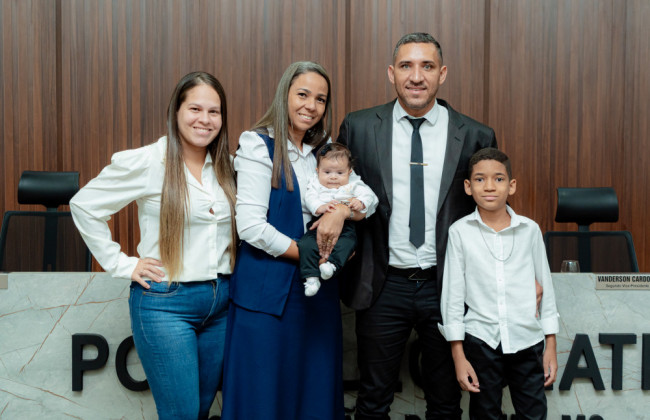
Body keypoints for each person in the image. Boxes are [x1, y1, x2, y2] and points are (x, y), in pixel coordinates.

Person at [336, 32, 498, 419]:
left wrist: (521, 272)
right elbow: (336, 190)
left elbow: (491, 211)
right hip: (382, 284)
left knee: (446, 402)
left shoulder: (475, 135)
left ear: (442, 73)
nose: (416, 76)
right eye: (406, 66)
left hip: (448, 286)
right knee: (373, 400)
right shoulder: (359, 127)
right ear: (391, 73)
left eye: (427, 66)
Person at [70, 71, 236, 420]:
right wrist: (123, 263)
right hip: (166, 304)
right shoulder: (148, 161)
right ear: (176, 111)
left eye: (214, 111)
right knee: (181, 414)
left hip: (221, 303)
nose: (205, 120)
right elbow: (84, 205)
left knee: (201, 410)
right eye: (195, 109)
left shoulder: (225, 166)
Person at [221, 61, 362, 420]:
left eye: (320, 99)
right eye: (302, 94)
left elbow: (359, 199)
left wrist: (342, 212)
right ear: (284, 95)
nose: (311, 106)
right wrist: (310, 255)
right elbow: (250, 227)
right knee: (262, 400)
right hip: (266, 294)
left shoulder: (324, 151)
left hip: (317, 295)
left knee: (314, 398)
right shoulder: (257, 144)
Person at [439, 147, 559, 419]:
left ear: (511, 185)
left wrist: (550, 344)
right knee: (485, 414)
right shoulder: (459, 232)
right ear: (468, 187)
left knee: (534, 413)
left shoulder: (529, 230)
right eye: (480, 179)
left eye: (499, 179)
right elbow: (453, 297)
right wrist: (459, 356)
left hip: (526, 339)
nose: (490, 186)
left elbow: (547, 289)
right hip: (481, 340)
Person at [298, 142, 378, 296]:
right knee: (305, 244)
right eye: (327, 172)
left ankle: (332, 265)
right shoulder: (315, 183)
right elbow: (310, 197)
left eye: (340, 173)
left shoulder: (353, 184)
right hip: (319, 223)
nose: (333, 177)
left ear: (349, 172)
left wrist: (361, 202)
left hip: (346, 226)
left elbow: (370, 195)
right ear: (318, 170)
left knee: (348, 244)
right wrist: (320, 207)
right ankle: (311, 278)